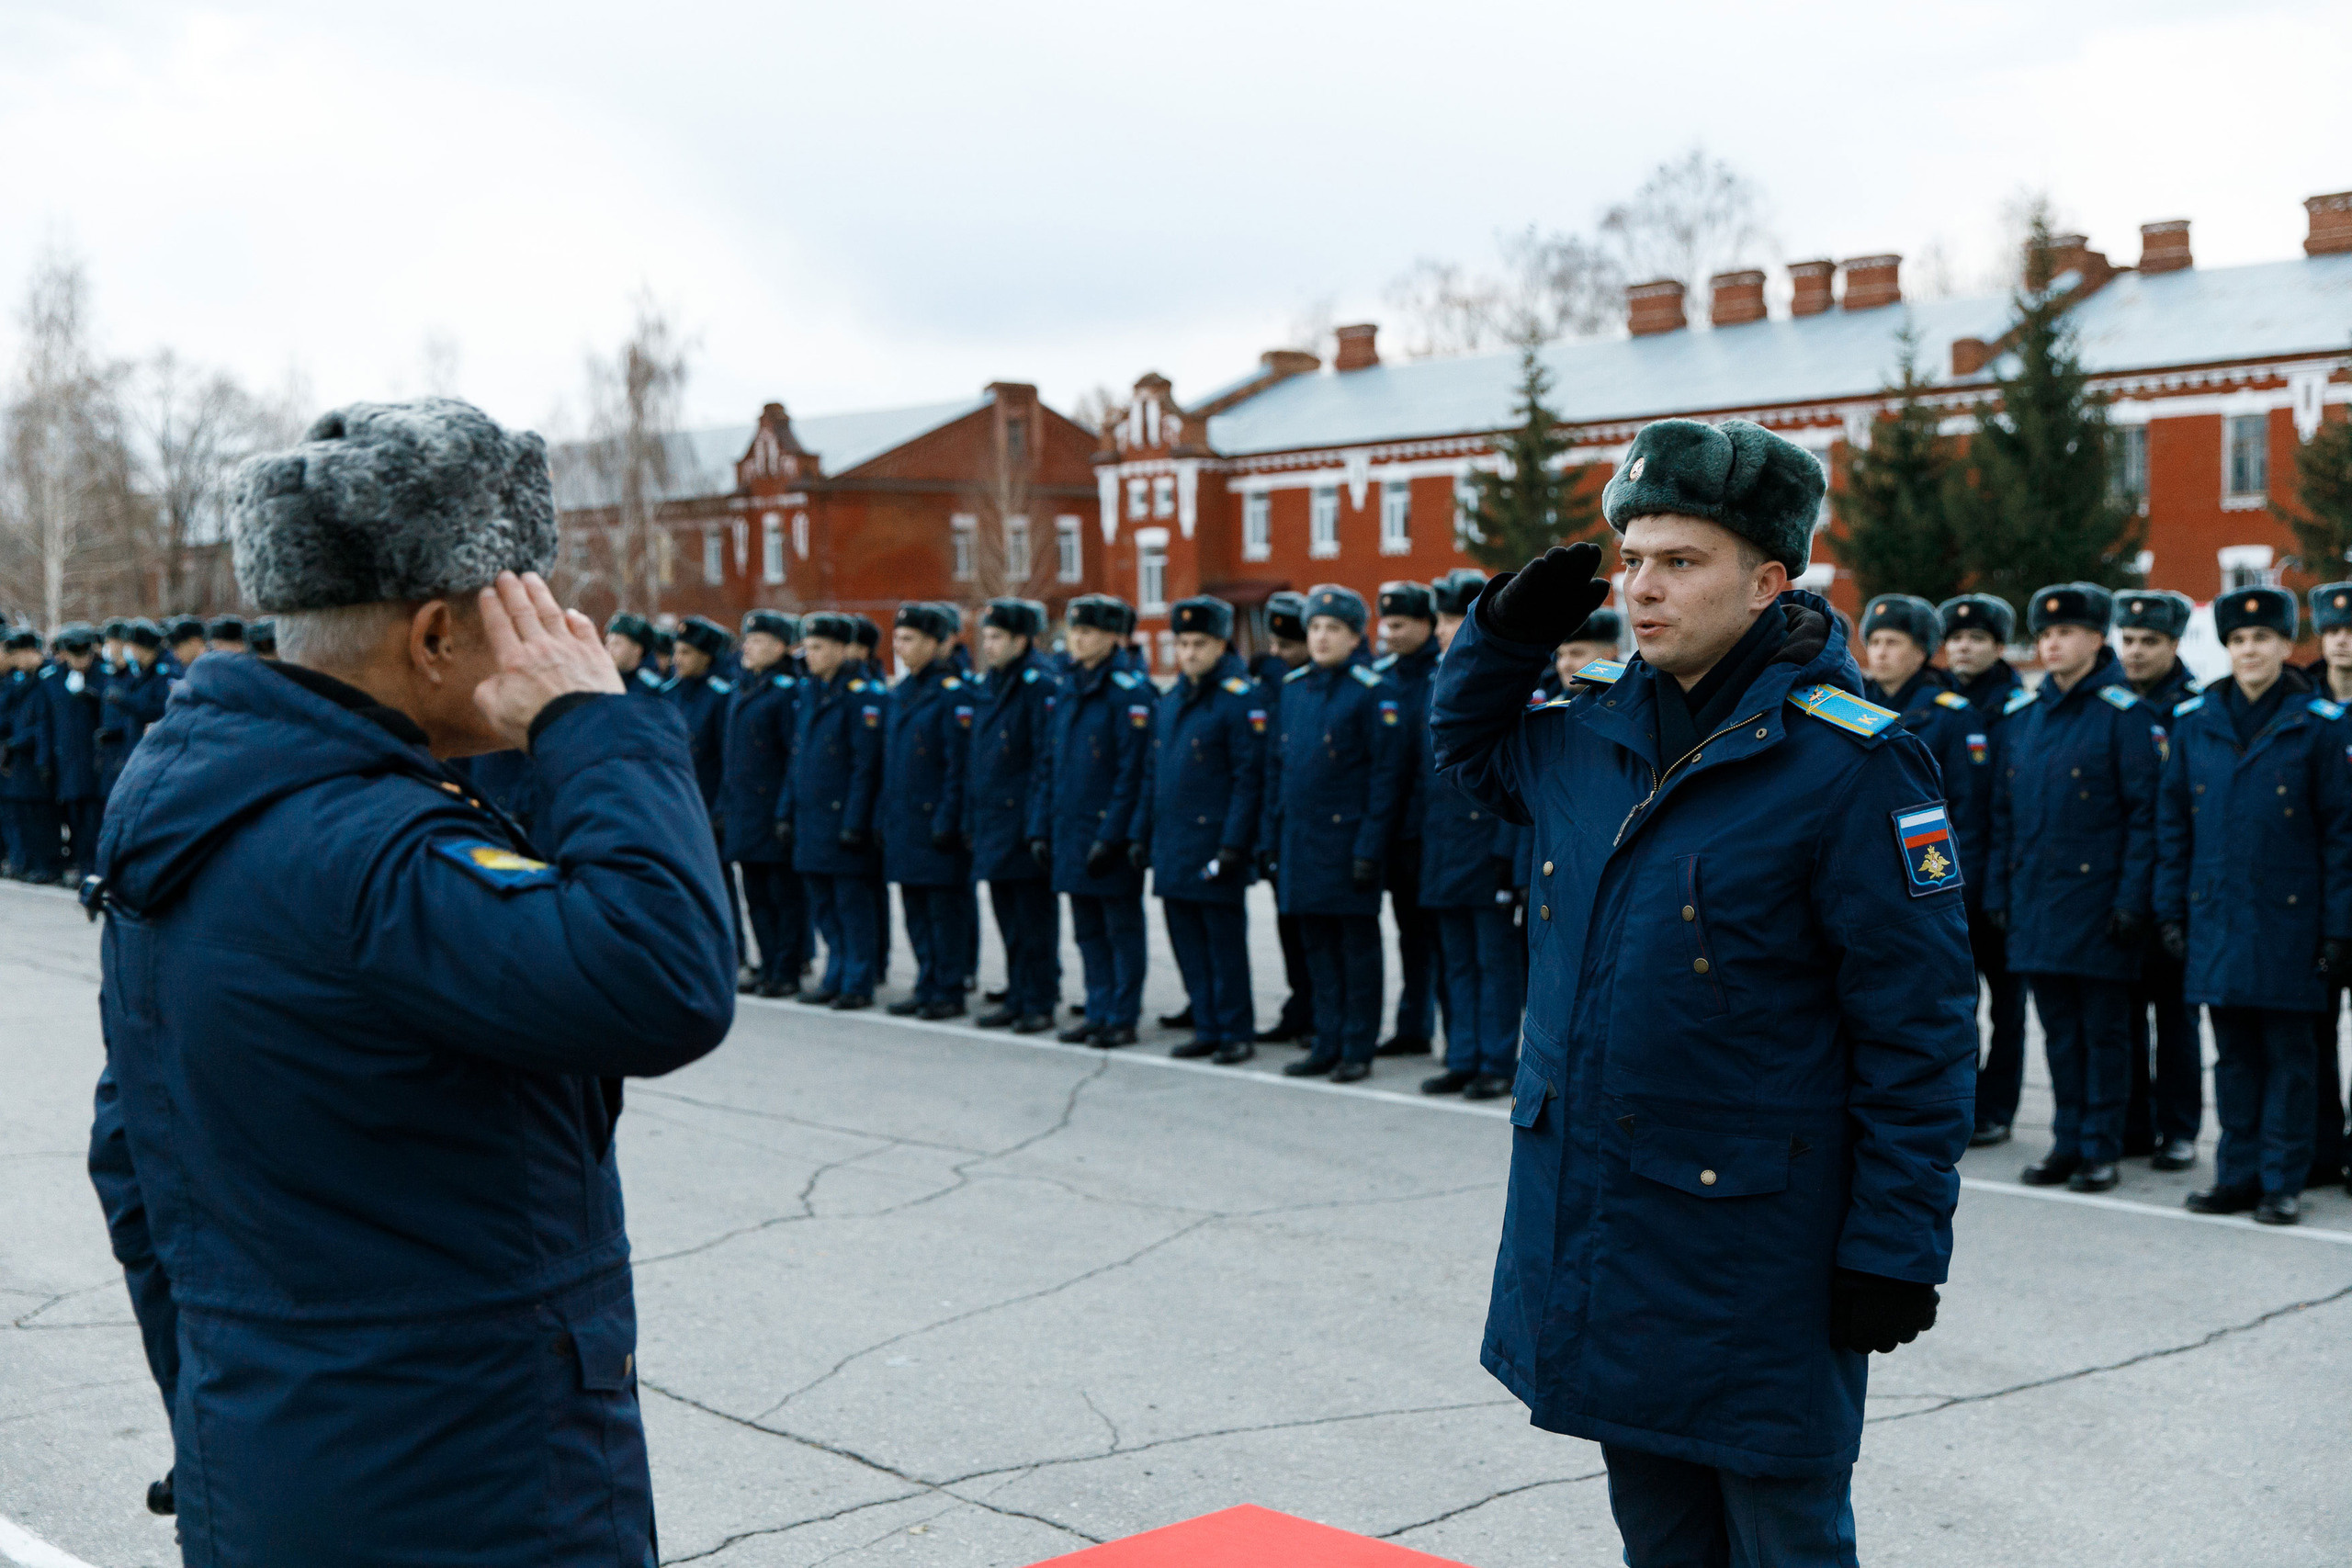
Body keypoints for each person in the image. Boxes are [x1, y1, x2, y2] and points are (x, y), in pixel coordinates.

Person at [86, 395, 734, 1564]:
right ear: (435, 637)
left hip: (283, 1453)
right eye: (523, 612)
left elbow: (133, 1160)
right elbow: (666, 977)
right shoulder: (370, 852)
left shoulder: (205, 807)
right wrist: (593, 727)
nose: (558, 638)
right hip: (465, 1485)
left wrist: (234, 1399)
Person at [1431, 417, 1973, 1567]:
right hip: (1610, 1225)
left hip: (1757, 1254)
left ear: (1768, 581)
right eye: (1630, 560)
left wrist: (1895, 1246)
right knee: (1660, 1537)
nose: (1639, 590)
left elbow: (1918, 1033)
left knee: (1785, 1541)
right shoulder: (1588, 735)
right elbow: (1466, 750)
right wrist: (1499, 635)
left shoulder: (1849, 767)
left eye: (1678, 563)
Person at [2156, 587, 2352, 1226]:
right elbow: (2172, 826)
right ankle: (2236, 1174)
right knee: (2233, 1056)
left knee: (2291, 1059)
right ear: (2227, 647)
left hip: (2291, 919)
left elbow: (2341, 835)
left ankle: (2282, 1180)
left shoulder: (2319, 724)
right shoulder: (2195, 722)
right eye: (2239, 640)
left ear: (2284, 645)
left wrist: (2337, 926)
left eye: (2262, 638)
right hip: (2216, 914)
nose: (2250, 650)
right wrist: (2170, 911)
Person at [1985, 582, 2164, 1194]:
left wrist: (2131, 901)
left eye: (2065, 632)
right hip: (2037, 901)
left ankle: (2101, 1147)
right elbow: (2002, 817)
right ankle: (2066, 1140)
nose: (2052, 644)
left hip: (2100, 908)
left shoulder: (2124, 716)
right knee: (2058, 1032)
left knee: (2105, 1033)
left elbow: (2147, 818)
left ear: (2095, 637)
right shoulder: (2023, 719)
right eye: (2045, 634)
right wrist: (1998, 895)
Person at [1263, 584, 1408, 1082]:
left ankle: (1356, 1048)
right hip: (1301, 844)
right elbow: (1280, 770)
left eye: (1334, 629)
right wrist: (1271, 839)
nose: (1322, 637)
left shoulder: (1371, 692)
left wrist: (1370, 847)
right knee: (1317, 951)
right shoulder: (1293, 688)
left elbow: (1384, 780)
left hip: (1348, 847)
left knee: (1356, 953)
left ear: (1354, 637)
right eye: (1316, 628)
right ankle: (1325, 1041)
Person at [1136, 595, 1261, 1065]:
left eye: (1199, 643)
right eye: (1182, 643)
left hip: (1214, 847)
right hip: (1173, 844)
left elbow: (1248, 780)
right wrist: (1142, 835)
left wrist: (1233, 845)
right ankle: (1206, 1025)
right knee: (1187, 942)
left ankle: (1234, 1031)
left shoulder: (1237, 701)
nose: (1188, 653)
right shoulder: (1168, 702)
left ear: (1220, 644)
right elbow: (1154, 776)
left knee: (1223, 947)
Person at [2110, 589, 2204, 1169]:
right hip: (2119, 888)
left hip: (2177, 892)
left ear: (2174, 644)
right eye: (2128, 640)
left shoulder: (2194, 708)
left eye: (2150, 642)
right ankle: (2133, 1125)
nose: (2136, 653)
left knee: (2175, 1021)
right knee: (2121, 1018)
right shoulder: (2111, 706)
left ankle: (2181, 1129)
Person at [1418, 570, 1518, 1101]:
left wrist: (1507, 856)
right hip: (1442, 847)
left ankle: (1497, 1059)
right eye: (1441, 618)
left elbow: (1513, 779)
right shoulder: (1433, 679)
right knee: (1454, 960)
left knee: (1493, 963)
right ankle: (1461, 1056)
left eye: (1455, 619)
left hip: (1486, 848)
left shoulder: (1501, 681)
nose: (1442, 629)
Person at [1034, 593, 1150, 1046]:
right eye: (1073, 632)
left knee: (1120, 929)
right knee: (1087, 931)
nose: (1076, 641)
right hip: (1070, 828)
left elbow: (1131, 772)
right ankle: (1098, 1006)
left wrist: (1113, 835)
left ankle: (1122, 1015)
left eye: (1086, 633)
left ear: (1112, 638)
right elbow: (1050, 764)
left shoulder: (1128, 692)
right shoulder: (1067, 687)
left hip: (1107, 834)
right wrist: (1039, 827)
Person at [1936, 592, 2030, 1148]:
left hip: (2007, 877)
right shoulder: (1939, 704)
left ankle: (2000, 1106)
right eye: (1957, 638)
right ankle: (1964, 1099)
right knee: (1958, 1003)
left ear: (1998, 646)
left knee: (2009, 1007)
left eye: (1977, 639)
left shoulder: (2015, 708)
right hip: (1955, 880)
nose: (1964, 648)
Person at [967, 599, 1060, 1033]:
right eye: (985, 636)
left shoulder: (1038, 684)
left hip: (1024, 822)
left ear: (1021, 641)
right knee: (1008, 919)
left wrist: (1038, 824)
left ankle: (1039, 998)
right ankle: (1018, 994)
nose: (988, 645)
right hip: (994, 823)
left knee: (1033, 921)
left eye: (997, 637)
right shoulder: (990, 684)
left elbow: (1044, 759)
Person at [784, 611, 887, 1010]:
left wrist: (856, 821)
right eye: (808, 647)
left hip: (844, 819)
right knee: (824, 904)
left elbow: (866, 767)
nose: (810, 655)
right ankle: (835, 973)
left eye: (819, 647)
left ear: (843, 650)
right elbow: (798, 759)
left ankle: (857, 979)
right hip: (811, 817)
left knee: (851, 905)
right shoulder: (809, 692)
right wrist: (786, 811)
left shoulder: (863, 695)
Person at [880, 602, 974, 1020]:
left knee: (944, 913)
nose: (901, 648)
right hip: (905, 823)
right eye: (898, 639)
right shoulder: (901, 694)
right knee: (916, 910)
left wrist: (948, 819)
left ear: (937, 644)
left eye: (910, 639)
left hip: (936, 824)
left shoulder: (954, 694)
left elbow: (959, 767)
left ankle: (948, 988)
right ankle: (926, 982)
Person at [1857, 594, 1982, 881]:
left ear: (1920, 652)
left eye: (1893, 642)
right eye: (1874, 642)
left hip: (1930, 864)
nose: (1880, 653)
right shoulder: (1853, 709)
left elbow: (1967, 810)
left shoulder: (1952, 715)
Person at [1372, 581, 1443, 1059]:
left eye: (1399, 625)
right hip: (1391, 831)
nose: (1388, 633)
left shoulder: (1442, 676)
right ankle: (1412, 1025)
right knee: (1407, 935)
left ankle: (1445, 1033)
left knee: (1436, 938)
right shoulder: (1381, 679)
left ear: (1425, 625)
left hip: (1432, 832)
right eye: (1385, 622)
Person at [721, 609, 804, 998]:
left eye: (756, 641)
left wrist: (785, 810)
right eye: (747, 640)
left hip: (772, 812)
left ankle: (786, 969)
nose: (747, 648)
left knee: (782, 897)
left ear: (780, 646)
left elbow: (794, 758)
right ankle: (767, 963)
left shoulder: (787, 692)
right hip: (745, 813)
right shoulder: (743, 688)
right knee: (755, 895)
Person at [1250, 589, 1317, 1045]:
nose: (1275, 654)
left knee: (1319, 935)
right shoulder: (1273, 676)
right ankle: (1300, 1006)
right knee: (1288, 927)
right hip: (1279, 823)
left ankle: (1320, 1014)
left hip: (1318, 832)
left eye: (1285, 646)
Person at [2307, 581, 2352, 1191]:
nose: (2344, 639)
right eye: (2334, 630)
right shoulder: (2299, 707)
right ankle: (2319, 1146)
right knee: (2311, 1036)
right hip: (2313, 901)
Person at [44, 623, 107, 883]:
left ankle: (95, 869)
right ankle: (82, 867)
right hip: (66, 761)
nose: (81, 660)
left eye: (85, 653)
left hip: (94, 762)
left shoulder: (103, 676)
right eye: (75, 654)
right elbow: (46, 722)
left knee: (95, 820)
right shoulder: (52, 678)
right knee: (74, 820)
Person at [664, 615, 736, 820]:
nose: (676, 659)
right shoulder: (669, 693)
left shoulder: (721, 697)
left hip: (704, 804)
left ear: (705, 657)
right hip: (672, 801)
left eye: (685, 652)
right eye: (675, 651)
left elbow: (727, 758)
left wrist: (720, 810)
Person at [3, 626, 57, 880]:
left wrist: (24, 742)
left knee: (41, 817)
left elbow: (46, 723)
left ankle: (46, 865)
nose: (16, 661)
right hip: (24, 759)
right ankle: (30, 863)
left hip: (40, 757)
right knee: (26, 815)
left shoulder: (47, 678)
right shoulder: (23, 680)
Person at [97, 620, 171, 800]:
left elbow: (157, 709)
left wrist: (124, 701)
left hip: (154, 755)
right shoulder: (142, 672)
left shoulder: (164, 672)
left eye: (130, 644)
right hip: (134, 752)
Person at [605, 613, 668, 697]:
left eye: (617, 643)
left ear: (637, 649)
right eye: (608, 643)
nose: (610, 649)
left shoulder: (651, 688)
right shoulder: (608, 681)